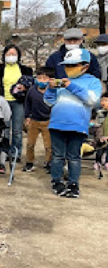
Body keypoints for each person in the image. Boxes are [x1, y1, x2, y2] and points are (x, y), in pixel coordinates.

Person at [45, 48, 102, 198]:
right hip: (57, 124)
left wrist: (71, 86)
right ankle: (56, 181)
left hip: (77, 126)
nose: (68, 68)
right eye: (67, 65)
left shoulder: (93, 82)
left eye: (73, 65)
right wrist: (50, 90)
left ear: (85, 66)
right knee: (57, 156)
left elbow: (92, 100)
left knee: (74, 156)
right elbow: (49, 102)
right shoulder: (61, 81)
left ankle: (73, 184)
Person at [0, 44, 33, 163]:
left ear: (18, 56)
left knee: (17, 130)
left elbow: (31, 84)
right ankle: (4, 152)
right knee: (4, 128)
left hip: (18, 102)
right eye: (8, 54)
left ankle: (16, 153)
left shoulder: (25, 70)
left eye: (13, 54)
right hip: (3, 101)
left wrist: (24, 88)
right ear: (4, 56)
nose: (11, 56)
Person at [24, 67, 54, 173]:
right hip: (34, 120)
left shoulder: (53, 91)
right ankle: (29, 162)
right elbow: (27, 103)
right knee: (30, 144)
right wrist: (27, 116)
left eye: (45, 78)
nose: (41, 80)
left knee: (49, 145)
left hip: (48, 121)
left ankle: (49, 162)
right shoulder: (32, 90)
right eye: (39, 78)